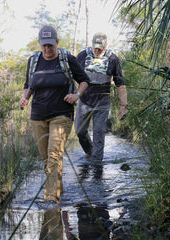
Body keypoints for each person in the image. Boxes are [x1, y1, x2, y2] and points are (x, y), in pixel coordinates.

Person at [19, 25, 89, 205]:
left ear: (57, 42)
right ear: (39, 44)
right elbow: (29, 85)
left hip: (62, 114)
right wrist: (25, 97)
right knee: (46, 160)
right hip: (38, 116)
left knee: (54, 156)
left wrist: (76, 95)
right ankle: (59, 190)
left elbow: (84, 81)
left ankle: (50, 201)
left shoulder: (67, 59)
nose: (47, 49)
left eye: (50, 45)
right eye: (44, 45)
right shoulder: (33, 61)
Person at [75, 32, 127, 163]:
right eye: (95, 46)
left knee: (99, 133)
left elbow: (120, 84)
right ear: (92, 44)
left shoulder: (113, 59)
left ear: (106, 45)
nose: (97, 50)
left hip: (102, 102)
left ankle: (97, 163)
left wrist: (124, 105)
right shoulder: (82, 56)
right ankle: (90, 152)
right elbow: (72, 75)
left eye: (100, 47)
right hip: (84, 101)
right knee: (80, 132)